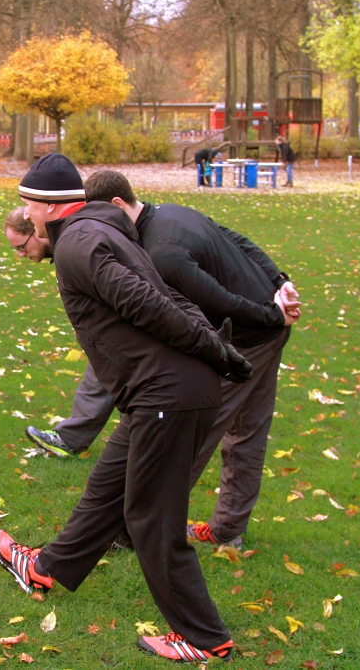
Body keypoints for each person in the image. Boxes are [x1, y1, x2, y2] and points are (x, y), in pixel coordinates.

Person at [0, 164, 254, 662]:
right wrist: (213, 348)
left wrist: (215, 352)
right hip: (162, 393)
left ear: (48, 205)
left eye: (28, 203)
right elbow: (168, 293)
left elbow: (149, 303)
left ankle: (202, 636)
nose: (25, 213)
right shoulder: (99, 232)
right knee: (109, 485)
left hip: (166, 394)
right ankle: (46, 566)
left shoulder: (77, 243)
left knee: (150, 515)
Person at [85, 169, 300, 550]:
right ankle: (228, 529)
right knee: (247, 431)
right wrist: (278, 282)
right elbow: (237, 239)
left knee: (193, 433)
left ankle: (142, 530)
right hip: (267, 326)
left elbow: (219, 300)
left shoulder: (161, 250)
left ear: (118, 205)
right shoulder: (171, 212)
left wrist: (274, 310)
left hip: (249, 338)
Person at [3, 161, 116, 458]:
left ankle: (72, 438)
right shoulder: (70, 243)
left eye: (21, 246)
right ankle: (71, 437)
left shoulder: (77, 244)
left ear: (38, 231)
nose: (20, 255)